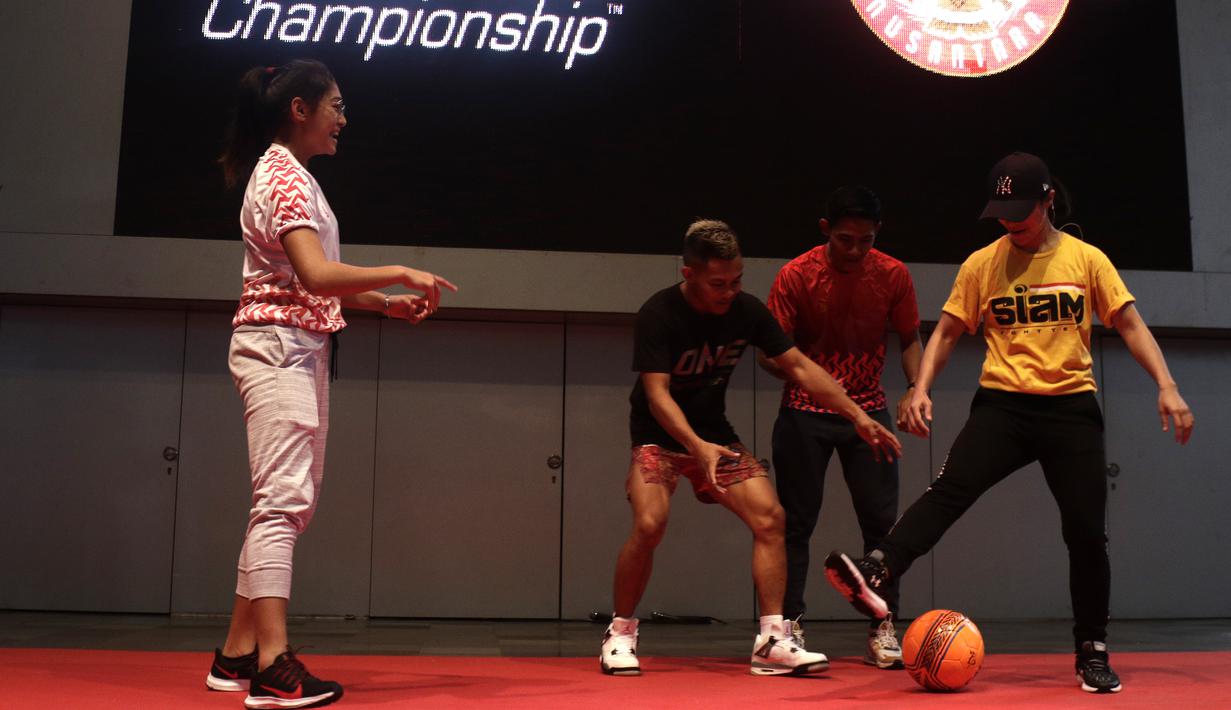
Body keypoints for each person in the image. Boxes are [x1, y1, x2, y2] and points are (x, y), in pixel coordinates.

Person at [822, 152, 1194, 694]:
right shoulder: (982, 264)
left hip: (1070, 409)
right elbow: (947, 331)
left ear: (1048, 200)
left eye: (1021, 211)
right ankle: (879, 566)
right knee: (950, 489)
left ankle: (1092, 650)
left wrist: (1167, 384)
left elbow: (1130, 324)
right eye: (1001, 213)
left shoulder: (1086, 259)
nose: (1010, 222)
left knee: (1086, 533)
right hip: (1004, 407)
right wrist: (920, 388)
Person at [205, 59, 457, 709]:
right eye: (335, 106)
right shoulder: (284, 177)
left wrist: (383, 304)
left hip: (295, 346)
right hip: (278, 350)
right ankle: (272, 666)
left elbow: (310, 280)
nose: (343, 117)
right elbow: (316, 275)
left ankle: (235, 654)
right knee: (281, 504)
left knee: (289, 503)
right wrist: (400, 272)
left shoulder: (290, 174)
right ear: (300, 109)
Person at [601, 219, 902, 677]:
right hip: (659, 437)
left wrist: (857, 415)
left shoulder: (746, 311)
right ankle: (620, 634)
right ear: (689, 274)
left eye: (736, 281)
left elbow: (799, 366)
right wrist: (695, 446)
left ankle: (771, 641)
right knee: (649, 523)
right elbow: (657, 396)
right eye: (718, 284)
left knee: (771, 517)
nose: (729, 291)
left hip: (717, 438)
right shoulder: (659, 313)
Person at [760, 186, 922, 669]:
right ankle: (788, 627)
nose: (855, 250)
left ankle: (883, 626)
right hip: (803, 411)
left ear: (878, 233)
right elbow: (769, 353)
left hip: (869, 412)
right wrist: (805, 374)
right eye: (845, 239)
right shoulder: (796, 275)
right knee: (794, 525)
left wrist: (917, 388)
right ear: (825, 230)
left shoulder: (893, 274)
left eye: (866, 240)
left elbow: (911, 338)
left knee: (882, 526)